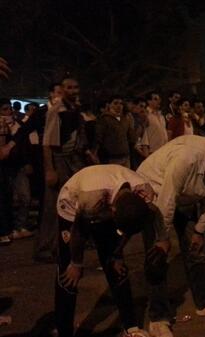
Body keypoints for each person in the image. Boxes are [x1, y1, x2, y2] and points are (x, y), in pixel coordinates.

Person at [136, 135, 205, 333]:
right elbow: (167, 201)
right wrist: (162, 238)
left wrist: (199, 231)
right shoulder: (185, 159)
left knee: (196, 250)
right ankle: (158, 317)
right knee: (157, 256)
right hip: (156, 189)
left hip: (186, 197)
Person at [54, 165, 160, 337]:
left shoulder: (145, 194)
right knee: (68, 273)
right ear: (113, 211)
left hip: (108, 199)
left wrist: (117, 254)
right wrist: (76, 263)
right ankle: (64, 330)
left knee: (116, 266)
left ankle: (131, 327)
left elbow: (129, 228)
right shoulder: (91, 198)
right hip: (73, 203)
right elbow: (79, 232)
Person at [37, 78, 96, 262]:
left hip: (74, 159)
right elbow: (47, 143)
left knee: (75, 202)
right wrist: (50, 170)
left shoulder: (74, 110)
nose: (73, 90)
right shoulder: (57, 111)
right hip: (60, 159)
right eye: (69, 87)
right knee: (54, 205)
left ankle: (68, 243)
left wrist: (87, 153)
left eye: (75, 87)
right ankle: (45, 248)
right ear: (62, 90)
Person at [94, 95, 136, 168]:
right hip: (111, 158)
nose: (119, 106)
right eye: (115, 103)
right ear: (109, 105)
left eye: (121, 103)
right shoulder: (104, 119)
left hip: (125, 156)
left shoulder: (125, 119)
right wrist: (95, 154)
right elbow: (98, 138)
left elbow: (131, 137)